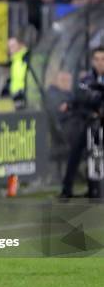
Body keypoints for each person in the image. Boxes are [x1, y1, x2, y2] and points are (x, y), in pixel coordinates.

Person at [60, 47, 104, 198]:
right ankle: (68, 189)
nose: (100, 63)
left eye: (103, 59)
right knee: (77, 153)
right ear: (92, 61)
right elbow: (80, 98)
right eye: (97, 59)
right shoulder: (86, 79)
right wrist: (71, 104)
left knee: (96, 155)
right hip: (89, 123)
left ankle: (96, 189)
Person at [2, 35, 29, 110]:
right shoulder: (15, 60)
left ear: (20, 45)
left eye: (13, 46)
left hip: (24, 96)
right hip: (15, 96)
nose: (10, 49)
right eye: (9, 47)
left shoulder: (26, 57)